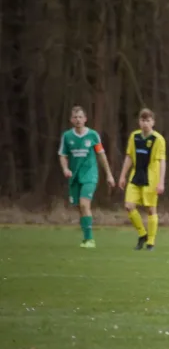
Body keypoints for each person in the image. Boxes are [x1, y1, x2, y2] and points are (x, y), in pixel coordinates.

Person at [58, 106, 115, 248]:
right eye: (75, 117)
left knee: (84, 204)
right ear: (71, 120)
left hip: (90, 174)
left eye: (80, 117)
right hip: (74, 176)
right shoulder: (67, 136)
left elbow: (101, 155)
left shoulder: (93, 135)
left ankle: (90, 240)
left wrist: (109, 175)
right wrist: (65, 169)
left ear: (85, 119)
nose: (78, 120)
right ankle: (86, 238)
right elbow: (63, 155)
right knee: (79, 207)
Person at [118, 108, 167, 251]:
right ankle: (142, 234)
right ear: (139, 122)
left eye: (148, 120)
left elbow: (162, 161)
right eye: (142, 120)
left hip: (151, 178)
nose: (145, 123)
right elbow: (129, 157)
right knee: (128, 206)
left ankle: (151, 242)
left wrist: (161, 181)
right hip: (135, 176)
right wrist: (122, 175)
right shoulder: (134, 137)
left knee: (151, 209)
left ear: (153, 122)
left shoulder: (158, 139)